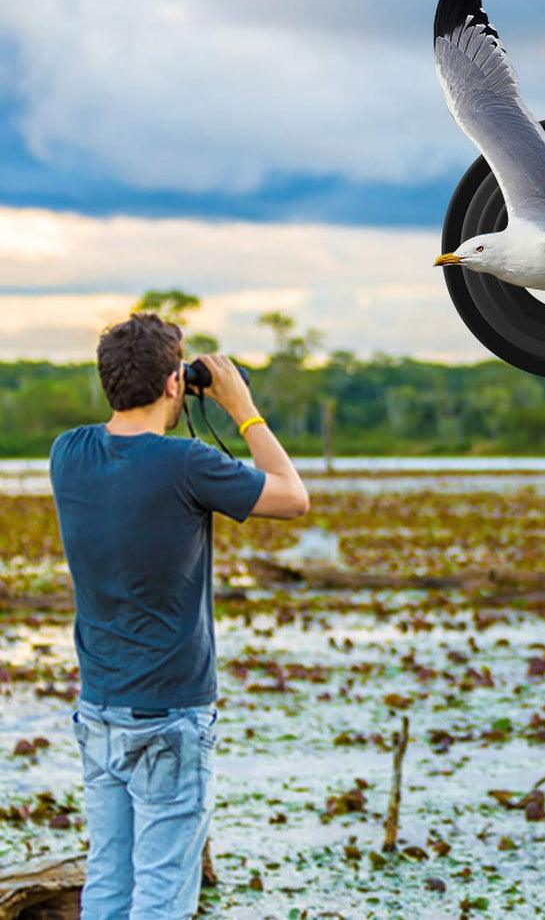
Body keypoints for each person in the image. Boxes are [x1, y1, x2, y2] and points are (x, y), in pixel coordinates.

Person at [49, 311, 309, 919]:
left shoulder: (69, 453)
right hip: (169, 714)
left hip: (99, 709)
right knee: (163, 894)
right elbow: (293, 496)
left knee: (108, 882)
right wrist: (242, 407)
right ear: (175, 384)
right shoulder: (187, 463)